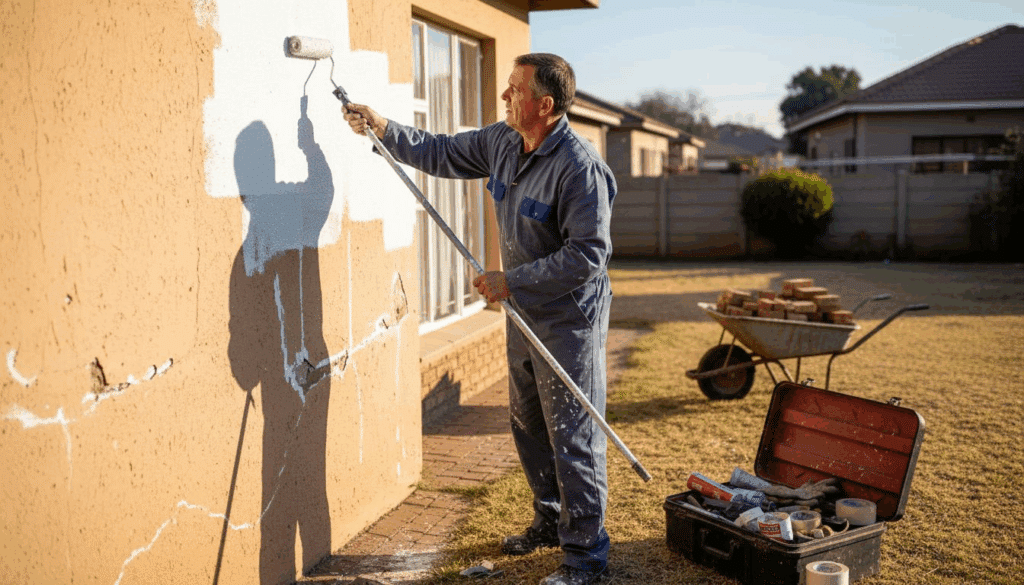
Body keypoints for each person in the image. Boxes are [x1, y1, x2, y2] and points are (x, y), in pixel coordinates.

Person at [344, 53, 616, 585]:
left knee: (573, 435)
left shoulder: (580, 168)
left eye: (514, 89)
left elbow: (588, 256)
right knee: (529, 422)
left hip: (568, 321)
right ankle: (549, 519)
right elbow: (442, 151)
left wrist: (510, 280)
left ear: (545, 104)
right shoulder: (501, 141)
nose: (504, 97)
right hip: (523, 315)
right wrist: (383, 128)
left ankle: (586, 558)